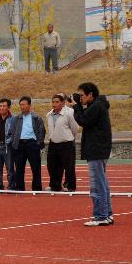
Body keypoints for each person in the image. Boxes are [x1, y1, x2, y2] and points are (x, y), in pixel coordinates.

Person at [72, 82, 113, 226]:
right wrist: (79, 105)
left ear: (91, 95)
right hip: (99, 149)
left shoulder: (96, 106)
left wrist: (76, 107)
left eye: (82, 95)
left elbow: (83, 120)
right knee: (103, 183)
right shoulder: (97, 105)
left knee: (97, 184)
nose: (80, 98)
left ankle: (100, 216)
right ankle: (107, 214)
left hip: (96, 149)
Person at [8, 96, 46, 191]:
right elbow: (12, 131)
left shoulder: (36, 118)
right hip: (19, 144)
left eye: (24, 104)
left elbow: (42, 131)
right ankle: (20, 187)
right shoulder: (16, 118)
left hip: (32, 144)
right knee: (19, 168)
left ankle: (37, 188)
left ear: (29, 105)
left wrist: (38, 143)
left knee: (36, 168)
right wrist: (14, 143)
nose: (22, 107)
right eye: (20, 105)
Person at [46, 94, 79, 192]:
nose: (54, 104)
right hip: (53, 143)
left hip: (66, 143)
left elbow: (75, 128)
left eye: (57, 102)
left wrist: (68, 137)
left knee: (69, 167)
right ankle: (55, 186)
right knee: (52, 166)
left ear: (63, 103)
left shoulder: (69, 114)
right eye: (53, 102)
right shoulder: (49, 115)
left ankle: (70, 186)